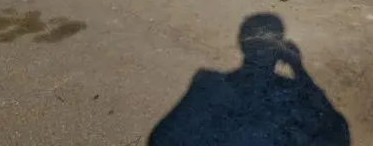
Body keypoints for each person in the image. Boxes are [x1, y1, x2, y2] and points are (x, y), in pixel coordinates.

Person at [149, 14, 350, 145]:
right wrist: (299, 69)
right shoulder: (208, 83)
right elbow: (337, 129)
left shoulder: (207, 84)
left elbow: (160, 137)